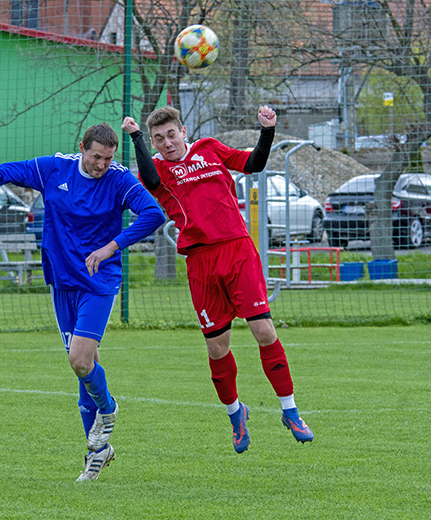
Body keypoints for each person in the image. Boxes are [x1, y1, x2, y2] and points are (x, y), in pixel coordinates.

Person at [0, 123, 165, 480]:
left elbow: (153, 214)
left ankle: (108, 408)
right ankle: (98, 451)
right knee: (84, 370)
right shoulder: (55, 168)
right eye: (96, 157)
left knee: (79, 360)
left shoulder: (118, 179)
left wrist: (112, 246)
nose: (101, 165)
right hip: (62, 281)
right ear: (81, 147)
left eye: (108, 158)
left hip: (99, 280)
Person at [121, 106, 313, 453]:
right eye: (158, 139)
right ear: (152, 143)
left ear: (184, 132)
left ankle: (290, 411)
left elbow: (253, 164)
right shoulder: (157, 170)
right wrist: (136, 137)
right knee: (217, 346)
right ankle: (236, 415)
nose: (167, 143)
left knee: (264, 331)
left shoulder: (209, 148)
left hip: (237, 250)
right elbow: (149, 182)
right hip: (200, 261)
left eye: (171, 134)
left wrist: (267, 131)